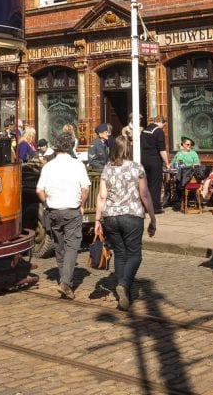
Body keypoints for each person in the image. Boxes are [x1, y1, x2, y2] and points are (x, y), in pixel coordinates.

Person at [93, 132, 157, 310]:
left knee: (120, 253)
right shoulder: (137, 168)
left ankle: (123, 294)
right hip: (132, 215)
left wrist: (98, 219)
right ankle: (124, 284)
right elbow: (144, 194)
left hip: (111, 217)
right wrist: (152, 217)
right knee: (135, 254)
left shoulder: (107, 168)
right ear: (129, 149)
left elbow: (102, 196)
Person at [35, 131, 91, 299]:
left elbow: (39, 190)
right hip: (72, 210)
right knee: (72, 245)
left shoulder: (48, 166)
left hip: (54, 211)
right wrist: (82, 204)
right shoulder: (77, 164)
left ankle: (63, 278)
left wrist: (46, 203)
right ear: (71, 146)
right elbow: (86, 188)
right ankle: (66, 282)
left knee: (59, 246)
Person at [140, 115, 169, 215]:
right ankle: (155, 208)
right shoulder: (159, 131)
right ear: (161, 122)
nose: (163, 127)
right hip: (154, 161)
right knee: (155, 185)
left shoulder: (144, 131)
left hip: (143, 160)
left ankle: (145, 206)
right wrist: (167, 163)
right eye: (164, 125)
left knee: (145, 184)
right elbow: (162, 150)